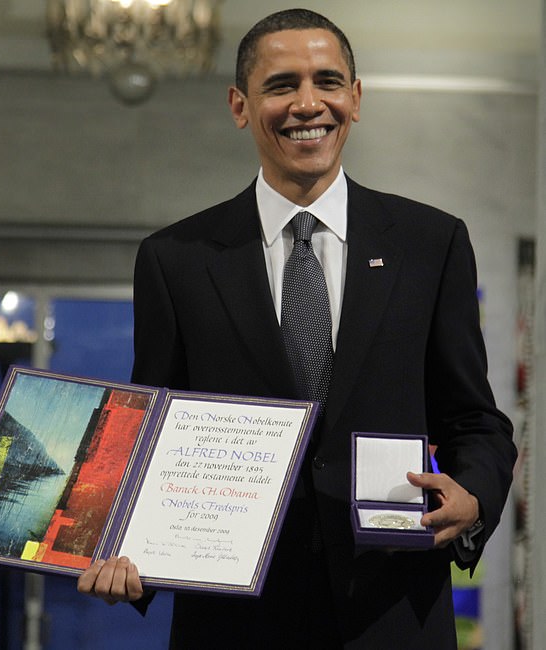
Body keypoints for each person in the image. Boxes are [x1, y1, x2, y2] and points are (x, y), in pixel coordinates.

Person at [78, 8, 517, 649]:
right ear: (239, 104)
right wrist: (122, 548)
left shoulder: (432, 243)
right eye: (281, 85)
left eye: (327, 82)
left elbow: (475, 421)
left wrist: (474, 496)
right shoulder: (176, 258)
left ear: (356, 98)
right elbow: (153, 435)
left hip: (392, 613)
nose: (307, 104)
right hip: (233, 623)